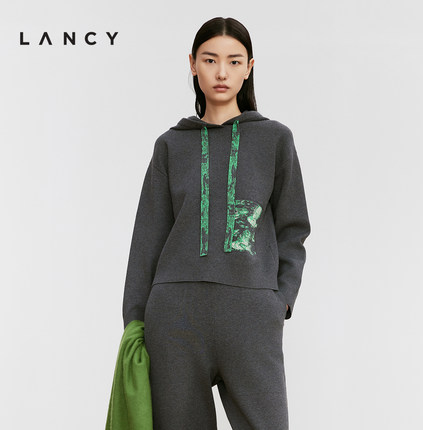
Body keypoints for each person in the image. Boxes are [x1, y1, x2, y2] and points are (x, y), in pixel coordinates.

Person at [121, 16, 311, 430]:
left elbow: (293, 229)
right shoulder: (171, 145)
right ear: (193, 65)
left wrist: (280, 301)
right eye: (210, 60)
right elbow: (147, 239)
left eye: (233, 61)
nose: (221, 72)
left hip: (251, 315)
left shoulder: (275, 139)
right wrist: (134, 321)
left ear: (249, 67)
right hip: (175, 319)